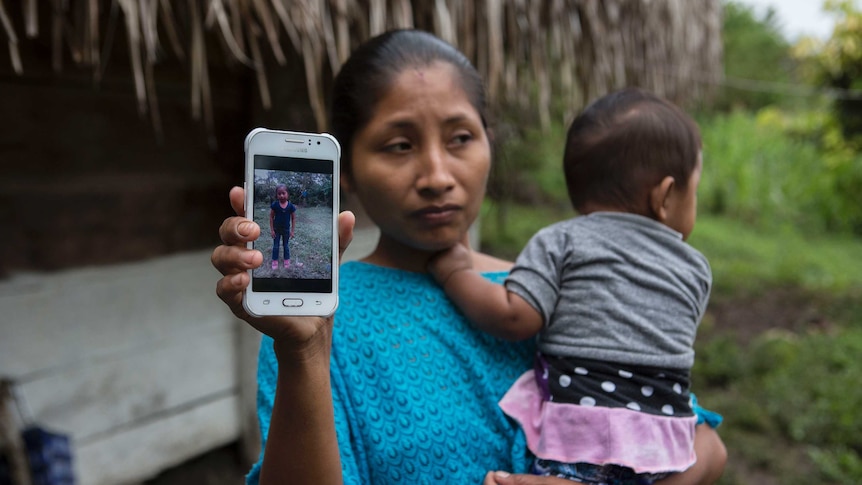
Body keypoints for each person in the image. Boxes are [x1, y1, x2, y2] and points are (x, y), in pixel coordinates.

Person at [212, 29, 727, 485]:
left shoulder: (551, 286)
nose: (437, 175)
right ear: (345, 169)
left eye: (460, 138)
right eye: (398, 145)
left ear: (488, 143)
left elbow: (702, 444)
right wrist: (304, 356)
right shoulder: (318, 327)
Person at [428, 88, 720, 484]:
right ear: (665, 196)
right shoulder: (696, 268)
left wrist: (455, 274)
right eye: (695, 191)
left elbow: (516, 316)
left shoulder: (561, 241)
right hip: (667, 439)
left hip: (583, 429)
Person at [269, 184, 296, 270]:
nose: (281, 195)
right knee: (276, 246)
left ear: (287, 194)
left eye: (283, 193)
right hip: (276, 230)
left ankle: (286, 260)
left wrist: (292, 231)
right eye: (279, 193)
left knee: (286, 245)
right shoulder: (275, 205)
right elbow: (271, 217)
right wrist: (272, 230)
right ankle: (274, 261)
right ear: (277, 195)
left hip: (286, 230)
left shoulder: (291, 206)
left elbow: (293, 218)